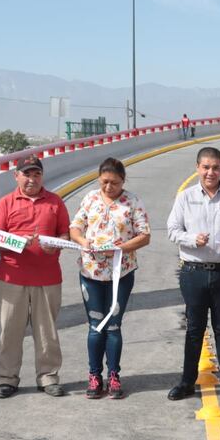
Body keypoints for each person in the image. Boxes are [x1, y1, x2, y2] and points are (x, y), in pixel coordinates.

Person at [166, 146, 220, 404]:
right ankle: (186, 381)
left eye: (215, 167)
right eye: (205, 167)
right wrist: (192, 239)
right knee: (195, 329)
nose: (210, 172)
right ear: (197, 168)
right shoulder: (185, 198)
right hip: (193, 272)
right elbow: (172, 230)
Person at [70, 158, 151, 399]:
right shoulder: (90, 199)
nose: (109, 187)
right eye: (105, 182)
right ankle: (94, 375)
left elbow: (145, 235)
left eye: (114, 183)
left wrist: (124, 247)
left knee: (113, 326)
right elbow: (75, 228)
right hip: (91, 273)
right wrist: (85, 242)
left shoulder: (132, 202)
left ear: (123, 181)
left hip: (121, 274)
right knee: (96, 326)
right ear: (98, 179)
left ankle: (113, 375)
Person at [0, 155, 71, 399]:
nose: (31, 179)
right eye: (26, 174)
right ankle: (7, 378)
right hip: (11, 277)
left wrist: (55, 245)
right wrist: (18, 243)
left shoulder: (55, 202)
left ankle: (48, 376)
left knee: (47, 332)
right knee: (9, 332)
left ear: (42, 176)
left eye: (36, 174)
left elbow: (65, 235)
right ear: (16, 176)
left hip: (47, 278)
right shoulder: (5, 203)